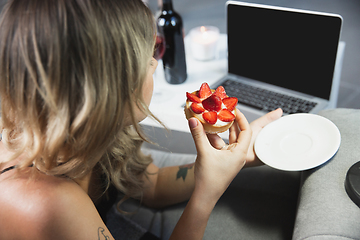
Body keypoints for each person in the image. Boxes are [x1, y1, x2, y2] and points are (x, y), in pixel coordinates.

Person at [0, 0, 283, 239]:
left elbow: (153, 184)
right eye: (148, 57)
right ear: (107, 89)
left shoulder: (88, 135)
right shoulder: (48, 204)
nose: (156, 64)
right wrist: (206, 195)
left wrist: (234, 158)